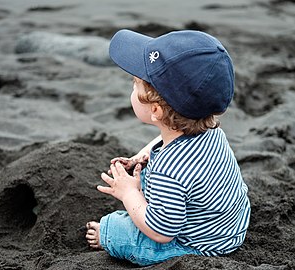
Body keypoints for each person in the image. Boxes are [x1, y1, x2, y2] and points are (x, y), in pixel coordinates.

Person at [85, 29, 251, 266]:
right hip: (228, 224)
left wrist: (128, 193)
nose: (132, 88)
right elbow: (162, 146)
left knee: (119, 227)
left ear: (155, 111)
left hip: (200, 245)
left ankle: (107, 235)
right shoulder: (211, 130)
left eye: (135, 85)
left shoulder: (169, 170)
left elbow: (161, 232)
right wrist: (142, 156)